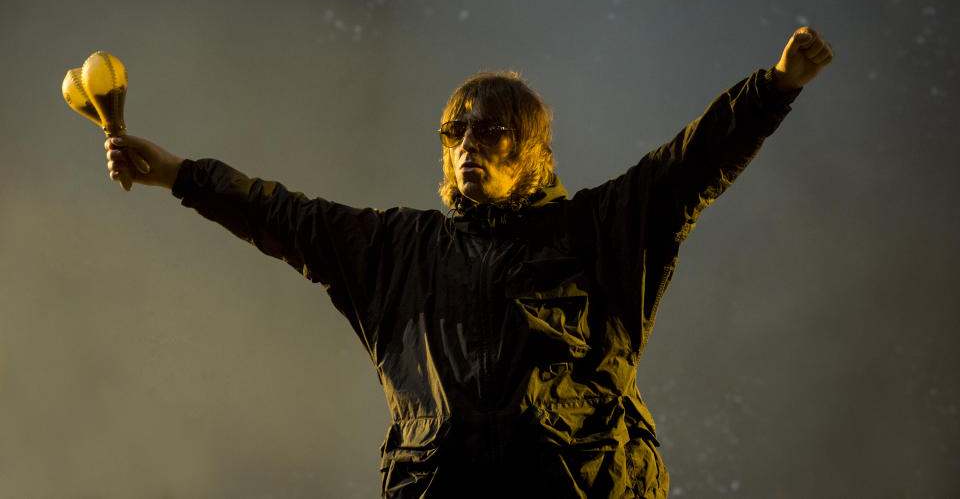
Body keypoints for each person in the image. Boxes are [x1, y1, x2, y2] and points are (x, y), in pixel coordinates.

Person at [104, 27, 833, 498]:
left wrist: (773, 89)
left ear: (538, 153)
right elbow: (281, 214)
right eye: (456, 130)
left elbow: (690, 163)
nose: (468, 144)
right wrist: (179, 174)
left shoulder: (600, 230)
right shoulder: (397, 250)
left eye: (492, 131)